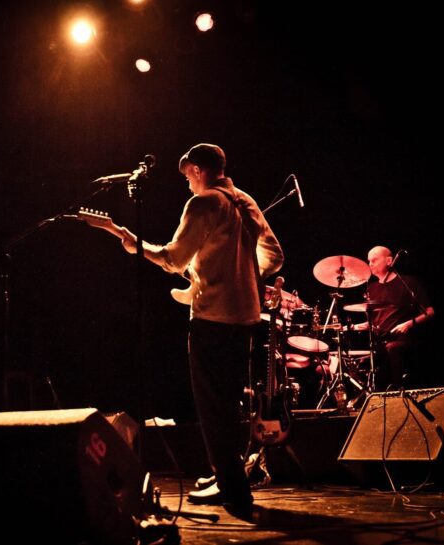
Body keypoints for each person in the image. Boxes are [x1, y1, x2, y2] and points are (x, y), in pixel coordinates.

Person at [118, 143, 284, 510]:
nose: (186, 184)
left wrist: (135, 245)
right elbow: (274, 256)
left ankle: (233, 489)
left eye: (187, 176)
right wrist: (241, 273)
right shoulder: (245, 200)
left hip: (212, 318)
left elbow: (174, 259)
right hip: (246, 318)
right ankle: (225, 473)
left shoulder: (204, 202)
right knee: (230, 402)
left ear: (196, 170)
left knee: (213, 408)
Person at [366, 246, 434, 389]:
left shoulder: (408, 282)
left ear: (389, 261)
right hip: (380, 341)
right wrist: (352, 327)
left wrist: (409, 324)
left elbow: (430, 311)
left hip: (404, 338)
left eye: (374, 260)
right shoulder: (371, 288)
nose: (370, 264)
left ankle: (399, 390)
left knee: (393, 348)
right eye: (369, 261)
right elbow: (372, 321)